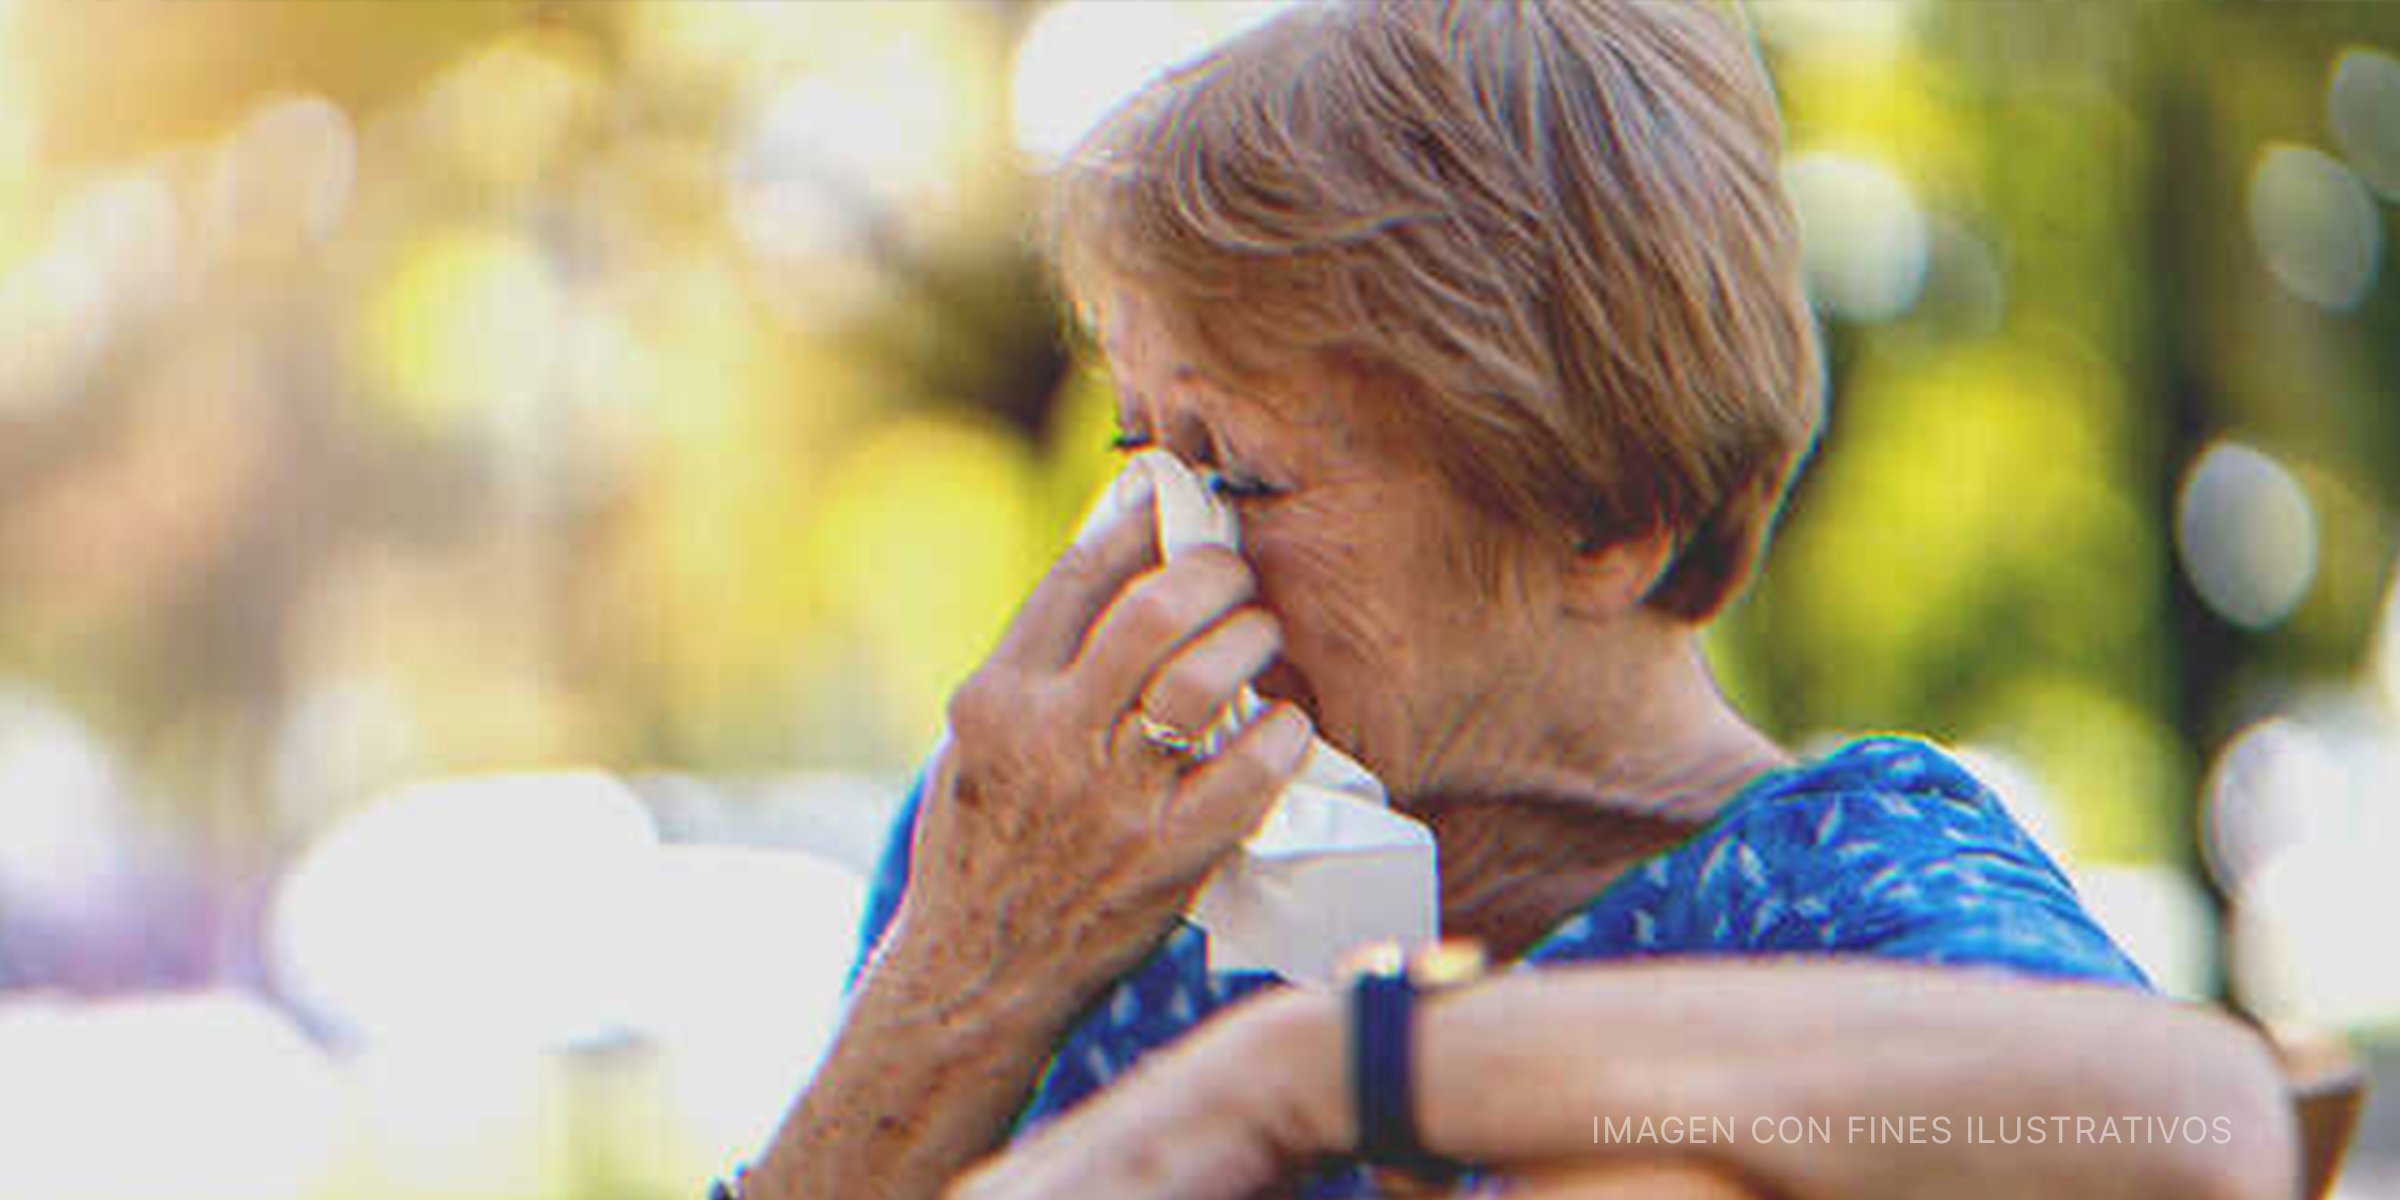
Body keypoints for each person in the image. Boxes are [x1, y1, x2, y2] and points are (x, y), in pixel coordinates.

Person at [737, 2, 2295, 1197]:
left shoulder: (1825, 893)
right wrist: (955, 983)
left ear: (1608, 514)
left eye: (1246, 475)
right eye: (1141, 442)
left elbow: (2190, 1112)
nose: (1164, 545)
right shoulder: (1059, 870)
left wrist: (1321, 1075)